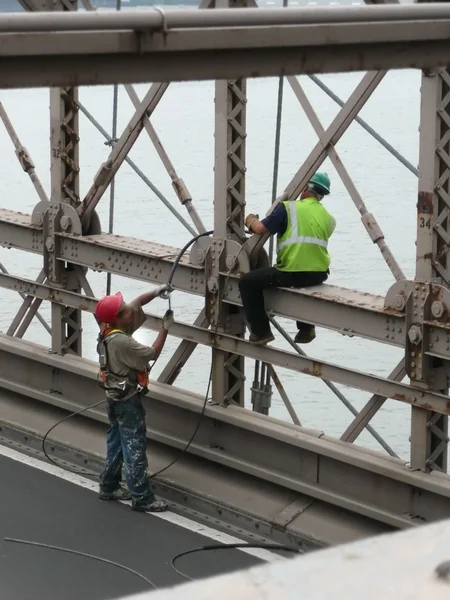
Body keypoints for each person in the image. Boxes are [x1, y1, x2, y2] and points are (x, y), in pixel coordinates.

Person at [95, 285, 174, 513]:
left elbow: (137, 303)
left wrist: (156, 292)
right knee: (134, 446)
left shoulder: (108, 331)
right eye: (123, 309)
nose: (129, 309)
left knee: (117, 442)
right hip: (127, 400)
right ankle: (142, 497)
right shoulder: (122, 342)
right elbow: (151, 354)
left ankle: (108, 486)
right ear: (119, 318)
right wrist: (165, 329)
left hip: (113, 397)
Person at [239, 171, 336, 345]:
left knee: (248, 282)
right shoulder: (329, 218)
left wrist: (250, 220)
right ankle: (307, 328)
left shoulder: (288, 208)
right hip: (319, 273)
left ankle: (261, 332)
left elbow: (260, 228)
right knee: (304, 285)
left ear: (306, 187)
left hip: (292, 271)